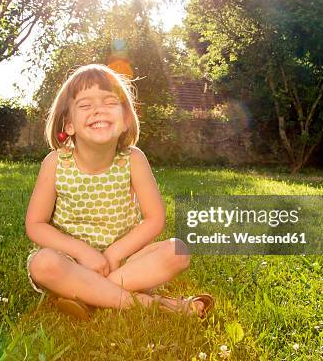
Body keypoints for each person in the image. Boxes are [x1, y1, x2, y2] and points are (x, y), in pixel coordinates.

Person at [25, 64, 214, 320]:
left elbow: (155, 218)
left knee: (177, 250)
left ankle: (87, 296)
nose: (97, 110)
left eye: (109, 102)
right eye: (84, 105)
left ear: (125, 119)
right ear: (68, 124)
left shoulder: (133, 159)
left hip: (125, 263)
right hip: (71, 263)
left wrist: (114, 254)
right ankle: (158, 305)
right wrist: (83, 252)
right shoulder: (55, 163)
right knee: (43, 263)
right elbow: (36, 225)